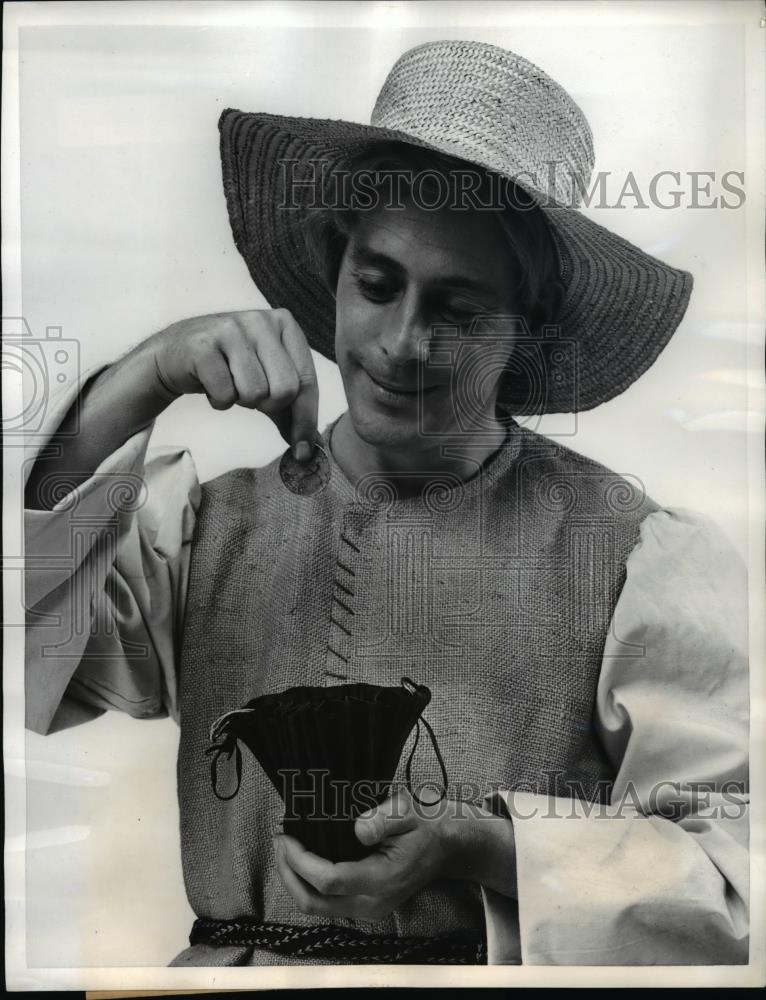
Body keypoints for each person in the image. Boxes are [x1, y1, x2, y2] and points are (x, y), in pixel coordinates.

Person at [23, 39, 749, 966]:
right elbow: (29, 641)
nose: (403, 343)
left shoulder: (631, 557)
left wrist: (489, 848)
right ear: (334, 274)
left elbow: (733, 889)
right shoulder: (201, 533)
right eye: (377, 283)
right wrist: (142, 378)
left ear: (525, 332)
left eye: (457, 308)